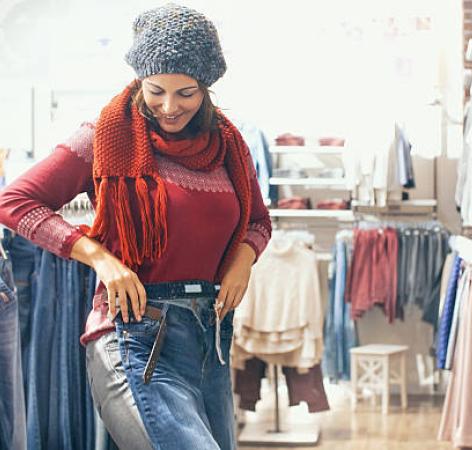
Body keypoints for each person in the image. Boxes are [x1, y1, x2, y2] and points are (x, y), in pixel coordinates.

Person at [0, 3, 272, 449]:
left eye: (186, 92)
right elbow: (14, 201)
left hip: (212, 340)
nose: (169, 107)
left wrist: (243, 258)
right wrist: (100, 259)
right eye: (155, 90)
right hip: (135, 337)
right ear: (139, 80)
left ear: (207, 87)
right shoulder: (102, 137)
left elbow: (258, 222)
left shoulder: (230, 145)